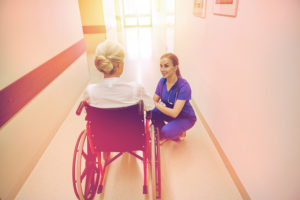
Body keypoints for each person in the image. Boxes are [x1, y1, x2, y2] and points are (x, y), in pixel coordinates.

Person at [84, 39, 153, 111]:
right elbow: (150, 106)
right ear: (119, 65)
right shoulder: (136, 89)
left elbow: (87, 112)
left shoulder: (90, 91)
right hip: (129, 122)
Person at [152, 53, 197, 142]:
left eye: (166, 66)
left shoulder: (183, 86)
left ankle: (178, 131)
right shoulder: (162, 81)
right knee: (153, 112)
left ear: (175, 67)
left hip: (185, 117)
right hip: (170, 112)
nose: (162, 69)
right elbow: (154, 99)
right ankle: (165, 134)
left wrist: (156, 104)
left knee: (167, 131)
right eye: (161, 66)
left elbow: (174, 113)